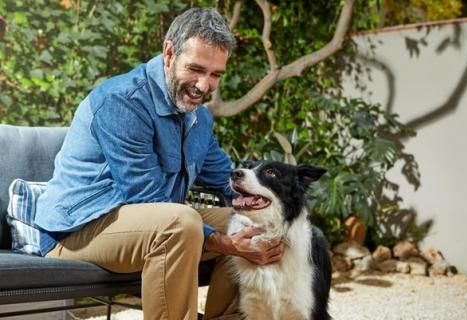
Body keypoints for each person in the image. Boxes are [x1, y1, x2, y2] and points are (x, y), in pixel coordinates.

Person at [35, 7, 285, 320]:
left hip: (154, 225)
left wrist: (271, 207)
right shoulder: (122, 101)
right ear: (169, 53)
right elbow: (145, 197)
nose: (204, 85)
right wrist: (225, 243)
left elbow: (226, 180)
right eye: (196, 69)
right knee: (181, 224)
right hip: (78, 231)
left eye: (215, 74)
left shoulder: (198, 118)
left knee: (250, 222)